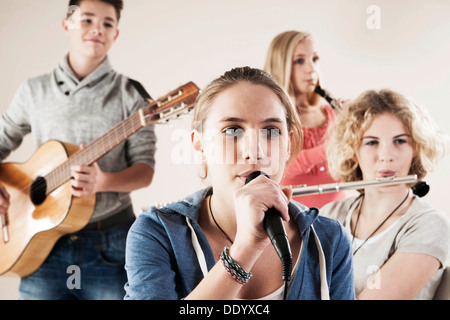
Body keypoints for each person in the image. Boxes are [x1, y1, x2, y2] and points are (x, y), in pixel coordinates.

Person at [124, 66, 354, 300]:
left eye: (271, 131)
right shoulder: (156, 234)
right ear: (199, 145)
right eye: (232, 130)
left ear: (289, 143)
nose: (254, 152)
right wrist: (244, 251)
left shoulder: (329, 240)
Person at [0, 0, 156, 299]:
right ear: (67, 24)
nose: (97, 29)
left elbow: (145, 170)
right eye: (86, 20)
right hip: (40, 245)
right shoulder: (33, 91)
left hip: (110, 244)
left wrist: (103, 182)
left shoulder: (131, 95)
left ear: (115, 34)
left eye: (107, 23)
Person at [320, 89, 450, 299]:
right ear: (353, 150)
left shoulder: (430, 224)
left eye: (400, 141)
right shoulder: (331, 214)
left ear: (416, 148)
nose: (386, 156)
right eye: (372, 142)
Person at [264, 30, 346, 208]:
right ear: (281, 66)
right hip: (292, 223)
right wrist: (328, 148)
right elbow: (279, 169)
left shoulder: (332, 115)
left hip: (337, 223)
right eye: (299, 61)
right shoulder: (272, 119)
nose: (311, 69)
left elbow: (351, 168)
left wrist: (355, 128)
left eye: (314, 59)